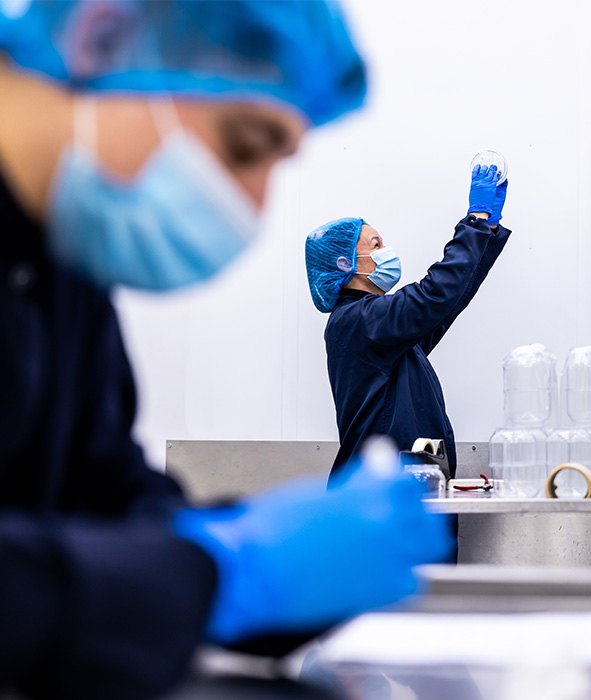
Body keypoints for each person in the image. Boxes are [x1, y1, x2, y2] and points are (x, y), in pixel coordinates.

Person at [0, 2, 449, 699]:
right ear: (103, 37)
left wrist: (252, 560)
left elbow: (101, 489)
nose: (252, 207)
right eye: (243, 145)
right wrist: (222, 572)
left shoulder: (62, 265)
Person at [305, 166, 511, 481]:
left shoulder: (380, 331)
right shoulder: (359, 322)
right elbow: (434, 294)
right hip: (377, 501)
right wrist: (475, 222)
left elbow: (446, 304)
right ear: (345, 264)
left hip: (398, 492)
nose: (386, 250)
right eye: (375, 245)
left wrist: (488, 234)